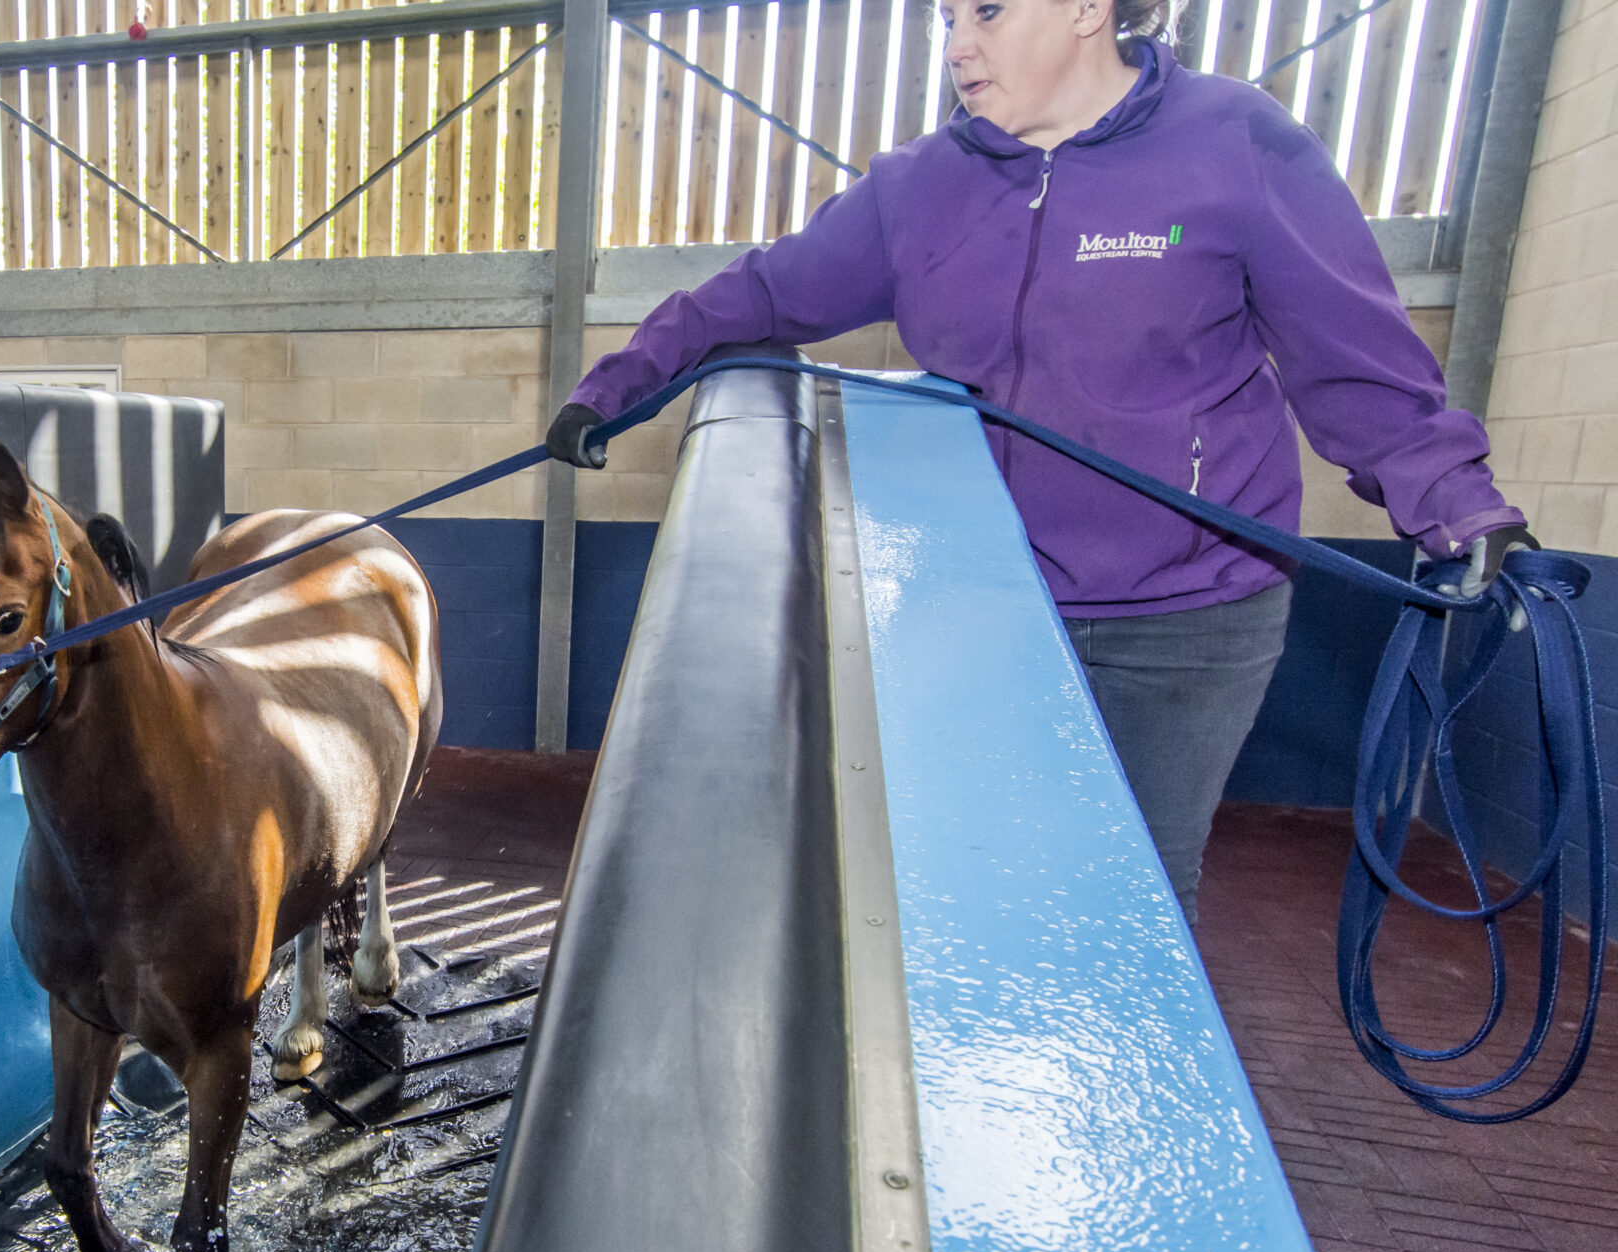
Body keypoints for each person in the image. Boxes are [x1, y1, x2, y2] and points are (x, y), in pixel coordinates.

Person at [547, 0, 1535, 923]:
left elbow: (1353, 363)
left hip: (1188, 617)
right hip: (984, 598)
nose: (955, 45)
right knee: (966, 879)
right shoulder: (919, 188)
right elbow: (757, 295)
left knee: (1130, 902)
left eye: (984, 10)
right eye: (945, 17)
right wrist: (615, 388)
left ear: (1084, 9)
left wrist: (1459, 507)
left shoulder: (1235, 145)